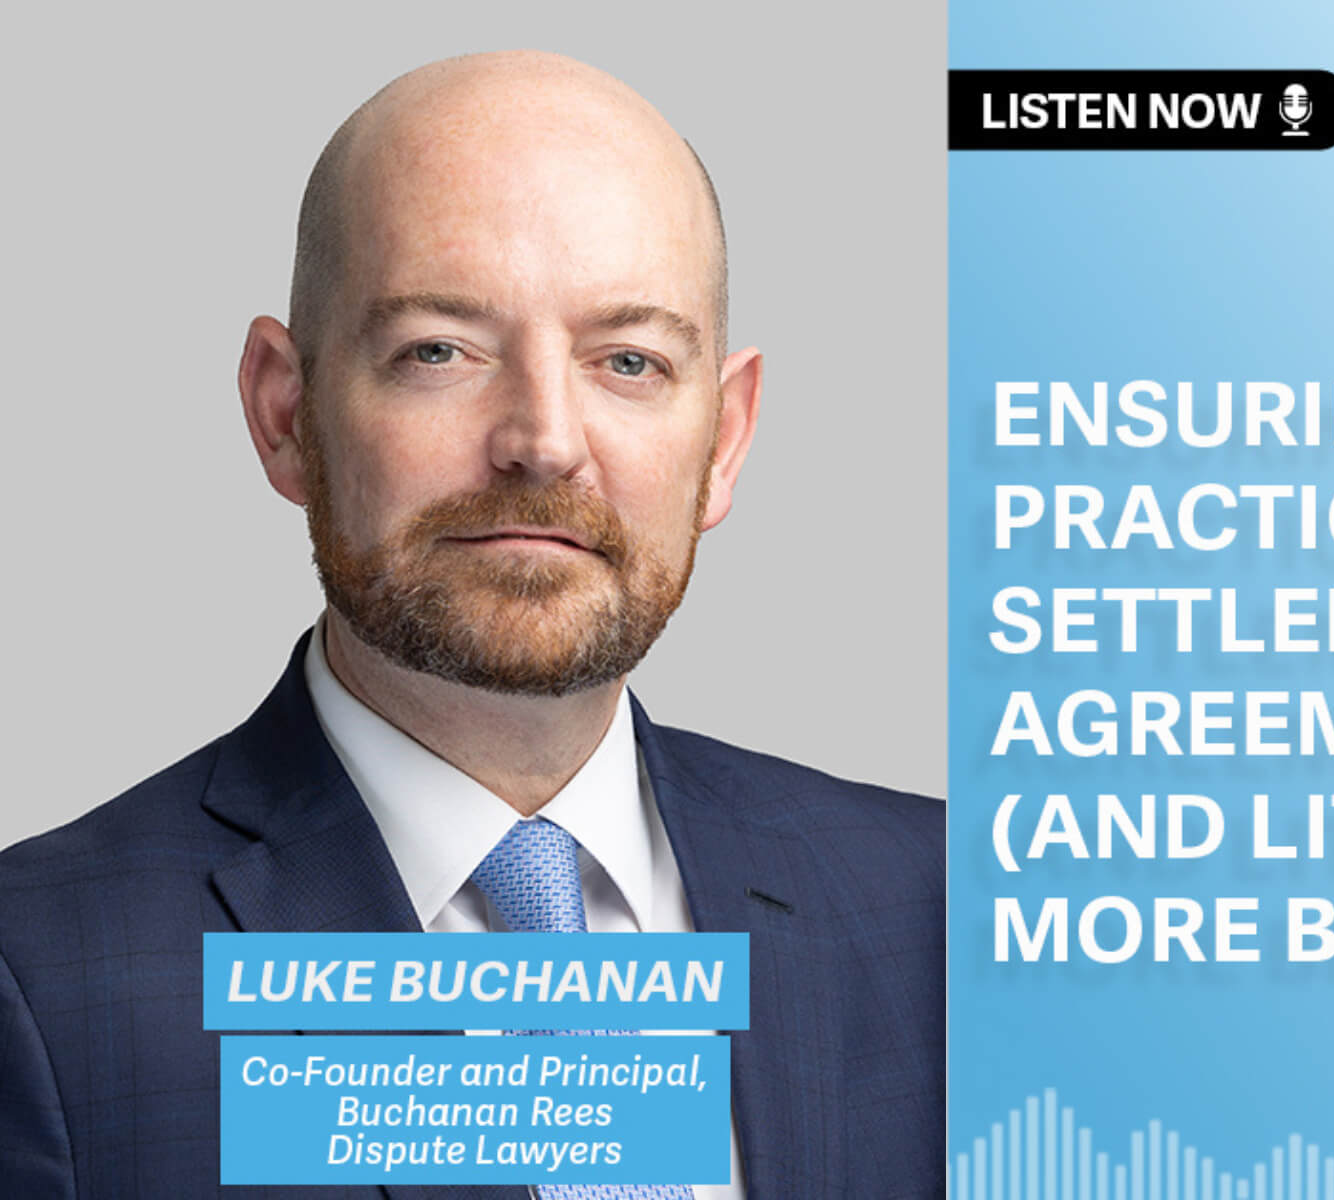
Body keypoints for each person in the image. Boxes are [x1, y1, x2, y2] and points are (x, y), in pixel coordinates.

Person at [0, 51, 943, 1199]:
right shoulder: (42, 982)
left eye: (629, 361)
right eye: (439, 350)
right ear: (286, 413)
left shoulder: (948, 918)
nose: (543, 440)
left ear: (725, 441)